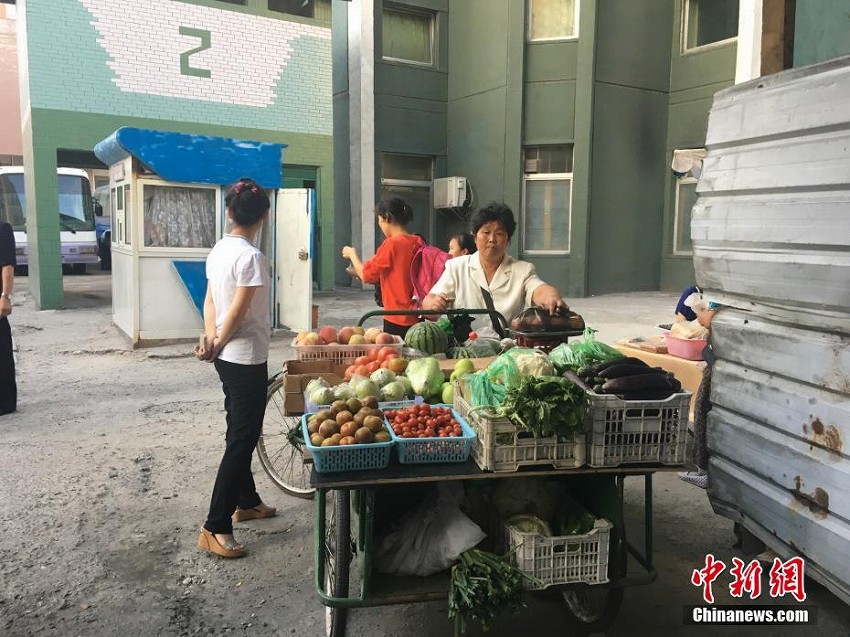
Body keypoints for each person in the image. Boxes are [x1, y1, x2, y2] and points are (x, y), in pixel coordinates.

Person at [195, 178, 276, 559]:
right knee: (242, 438)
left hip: (226, 357)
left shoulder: (220, 250)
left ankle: (247, 501)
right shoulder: (251, 257)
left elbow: (211, 301)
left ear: (229, 212)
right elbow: (240, 311)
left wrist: (210, 339)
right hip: (244, 357)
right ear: (263, 215)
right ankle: (215, 525)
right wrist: (219, 343)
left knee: (239, 429)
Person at [422, 202, 568, 325]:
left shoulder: (522, 270)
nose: (492, 239)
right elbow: (429, 301)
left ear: (508, 239)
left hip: (504, 351)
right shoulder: (456, 267)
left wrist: (551, 298)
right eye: (485, 232)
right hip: (463, 350)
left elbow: (539, 289)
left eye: (499, 234)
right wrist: (434, 305)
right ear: (474, 237)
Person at [342, 197, 425, 338]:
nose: (380, 224)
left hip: (396, 317)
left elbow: (366, 275)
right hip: (418, 315)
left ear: (387, 218)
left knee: (396, 357)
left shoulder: (391, 244)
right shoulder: (418, 241)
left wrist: (352, 254)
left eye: (379, 220)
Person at [679, 303, 719, 489]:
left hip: (721, 356)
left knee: (703, 406)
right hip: (716, 352)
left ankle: (703, 469)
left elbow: (711, 318)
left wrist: (710, 315)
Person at [0, 221, 15, 415]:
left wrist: (5, 296)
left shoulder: (3, 229)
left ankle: (5, 402)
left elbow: (7, 266)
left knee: (1, 352)